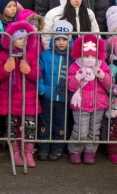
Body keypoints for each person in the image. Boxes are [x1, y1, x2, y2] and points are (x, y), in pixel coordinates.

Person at [0, 21, 40, 167]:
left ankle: (28, 152)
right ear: (11, 39)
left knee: (29, 127)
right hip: (10, 97)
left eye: (26, 38)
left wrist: (29, 71)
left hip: (28, 98)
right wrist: (6, 69)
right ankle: (15, 151)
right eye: (20, 38)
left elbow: (37, 75)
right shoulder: (4, 55)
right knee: (12, 126)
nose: (23, 41)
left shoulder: (30, 54)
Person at [67, 35, 112, 165]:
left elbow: (109, 84)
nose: (90, 59)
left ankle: (90, 151)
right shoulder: (75, 66)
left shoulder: (102, 65)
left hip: (98, 104)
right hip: (81, 104)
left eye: (93, 56)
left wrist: (102, 75)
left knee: (94, 131)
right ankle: (75, 151)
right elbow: (71, 86)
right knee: (81, 130)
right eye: (86, 56)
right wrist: (77, 77)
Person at [37, 20, 73, 162]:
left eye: (64, 39)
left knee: (60, 123)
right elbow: (39, 74)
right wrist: (42, 90)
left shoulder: (73, 57)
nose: (61, 42)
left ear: (69, 40)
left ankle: (57, 148)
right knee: (45, 123)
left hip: (64, 98)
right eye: (57, 39)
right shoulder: (46, 55)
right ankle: (44, 147)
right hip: (47, 96)